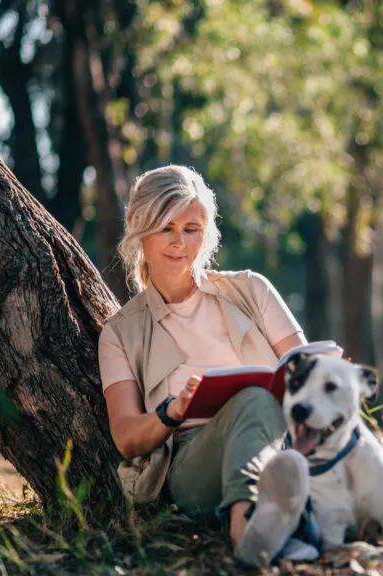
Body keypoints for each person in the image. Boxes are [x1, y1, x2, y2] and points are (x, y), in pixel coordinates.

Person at [98, 165, 319, 565]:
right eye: (166, 227)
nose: (179, 242)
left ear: (207, 233)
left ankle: (282, 520)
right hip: (193, 466)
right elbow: (127, 437)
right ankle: (246, 531)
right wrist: (170, 412)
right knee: (253, 400)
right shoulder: (120, 333)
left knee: (261, 406)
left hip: (278, 439)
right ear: (139, 228)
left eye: (192, 228)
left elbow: (305, 370)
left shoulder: (252, 290)